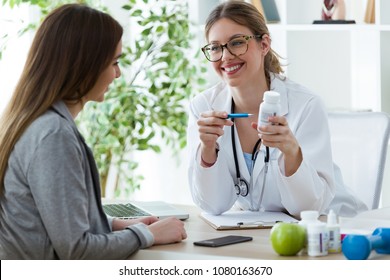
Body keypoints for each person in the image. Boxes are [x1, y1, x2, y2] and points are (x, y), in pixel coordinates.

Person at [0, 3, 186, 260]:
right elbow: (77, 251)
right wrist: (147, 234)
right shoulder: (53, 135)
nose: (118, 74)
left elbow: (51, 219)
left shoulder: (36, 122)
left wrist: (111, 224)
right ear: (85, 65)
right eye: (114, 62)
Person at [187, 1, 367, 218]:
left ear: (264, 44)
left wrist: (291, 151)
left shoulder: (306, 105)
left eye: (237, 43)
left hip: (330, 225)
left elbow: (308, 208)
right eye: (215, 47)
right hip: (260, 231)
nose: (225, 56)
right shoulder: (203, 108)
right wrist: (207, 150)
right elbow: (213, 206)